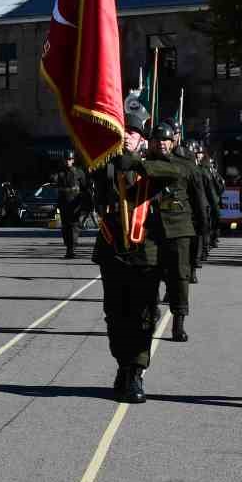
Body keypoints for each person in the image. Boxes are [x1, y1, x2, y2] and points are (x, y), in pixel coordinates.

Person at [90, 109, 185, 403]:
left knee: (143, 315)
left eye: (132, 133)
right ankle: (123, 364)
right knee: (116, 315)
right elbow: (87, 167)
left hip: (146, 253)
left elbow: (175, 172)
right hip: (113, 251)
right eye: (123, 134)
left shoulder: (154, 164)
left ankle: (136, 372)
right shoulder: (106, 163)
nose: (127, 138)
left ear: (142, 139)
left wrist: (138, 164)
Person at [146, 123, 204, 343]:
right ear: (151, 142)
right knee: (150, 275)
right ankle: (151, 313)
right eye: (157, 140)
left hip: (179, 229)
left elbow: (199, 202)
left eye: (166, 140)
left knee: (179, 278)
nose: (161, 143)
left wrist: (202, 231)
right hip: (151, 229)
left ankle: (178, 324)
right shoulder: (144, 165)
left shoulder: (187, 166)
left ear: (173, 142)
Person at [54, 150, 90, 259]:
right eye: (66, 159)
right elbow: (56, 187)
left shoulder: (79, 172)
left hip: (75, 203)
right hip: (64, 203)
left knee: (74, 226)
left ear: (73, 160)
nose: (67, 162)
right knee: (65, 227)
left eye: (69, 159)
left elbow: (85, 187)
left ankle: (71, 249)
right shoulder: (60, 173)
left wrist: (86, 204)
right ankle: (68, 247)